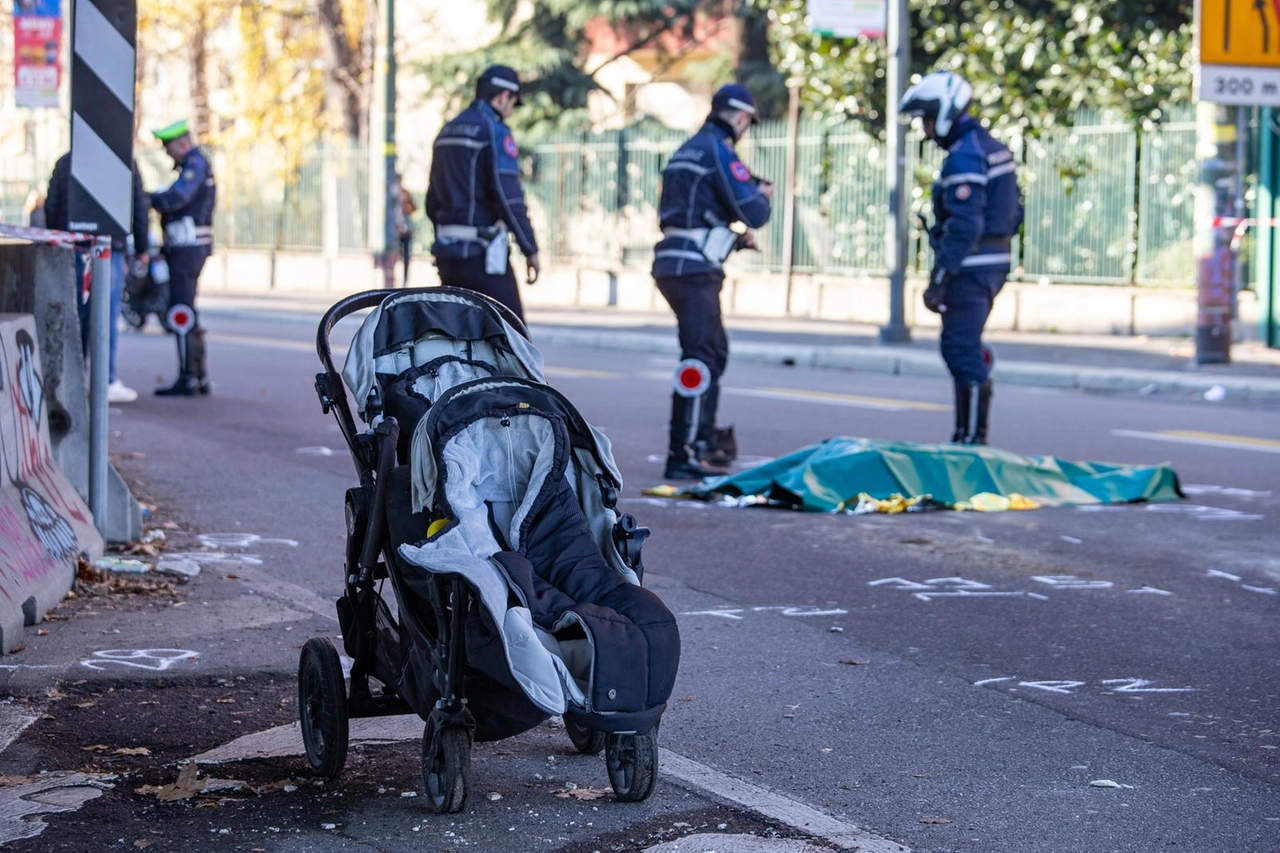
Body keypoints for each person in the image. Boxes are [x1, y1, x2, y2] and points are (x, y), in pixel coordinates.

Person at [652, 83, 773, 480]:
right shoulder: (718, 151)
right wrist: (763, 194)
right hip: (692, 269)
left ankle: (702, 441)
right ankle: (682, 451)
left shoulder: (688, 148)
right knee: (701, 355)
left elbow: (693, 211)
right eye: (747, 124)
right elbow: (753, 210)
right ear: (741, 118)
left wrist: (734, 239)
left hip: (676, 263)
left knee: (713, 350)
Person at [899, 70, 1023, 445]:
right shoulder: (989, 147)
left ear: (946, 111)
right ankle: (967, 433)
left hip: (972, 267)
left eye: (928, 118)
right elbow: (1014, 213)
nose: (927, 129)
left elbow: (966, 226)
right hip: (993, 261)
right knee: (965, 345)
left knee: (959, 348)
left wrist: (941, 276)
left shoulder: (965, 157)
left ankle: (970, 440)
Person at [425, 64, 540, 322]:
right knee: (513, 338)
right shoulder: (494, 131)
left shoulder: (447, 130)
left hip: (447, 256)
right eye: (513, 103)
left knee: (458, 338)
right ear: (502, 97)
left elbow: (432, 200)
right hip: (482, 257)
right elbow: (508, 198)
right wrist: (530, 248)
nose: (511, 111)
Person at [43, 153, 150, 403]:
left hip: (72, 247)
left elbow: (52, 205)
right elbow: (138, 205)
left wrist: (56, 242)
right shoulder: (123, 158)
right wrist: (142, 247)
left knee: (74, 314)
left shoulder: (66, 161)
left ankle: (73, 380)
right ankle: (106, 380)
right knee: (105, 314)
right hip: (108, 245)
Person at [148, 119, 217, 397]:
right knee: (187, 311)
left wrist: (146, 198)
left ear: (183, 143)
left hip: (187, 249)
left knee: (182, 312)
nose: (167, 153)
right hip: (187, 249)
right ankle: (196, 376)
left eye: (169, 147)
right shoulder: (195, 165)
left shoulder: (195, 166)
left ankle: (189, 377)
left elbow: (176, 199)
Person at [394, 175, 416, 287]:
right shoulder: (391, 196)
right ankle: (394, 279)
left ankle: (405, 280)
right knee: (394, 256)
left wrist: (405, 202)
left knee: (406, 257)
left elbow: (413, 208)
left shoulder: (405, 194)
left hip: (406, 231)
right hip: (395, 232)